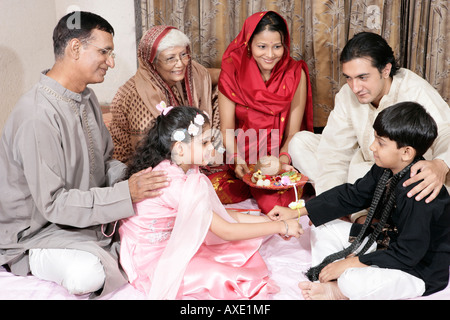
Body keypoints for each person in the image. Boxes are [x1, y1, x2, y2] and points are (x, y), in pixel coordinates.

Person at [0, 11, 170, 298]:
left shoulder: (86, 97)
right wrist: (126, 194)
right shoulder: (37, 115)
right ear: (75, 48)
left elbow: (103, 163)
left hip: (81, 216)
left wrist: (136, 177)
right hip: (38, 231)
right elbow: (53, 204)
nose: (111, 62)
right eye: (104, 52)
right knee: (88, 275)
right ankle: (28, 260)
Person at [119, 105, 303, 299]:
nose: (212, 148)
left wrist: (268, 221)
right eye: (205, 143)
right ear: (180, 149)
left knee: (234, 252)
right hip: (149, 257)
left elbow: (216, 214)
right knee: (225, 276)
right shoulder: (174, 183)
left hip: (170, 239)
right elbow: (226, 230)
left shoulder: (187, 169)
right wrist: (280, 227)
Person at [269, 102, 450, 300]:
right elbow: (353, 195)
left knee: (352, 281)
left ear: (406, 152)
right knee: (322, 227)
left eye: (380, 143)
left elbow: (408, 254)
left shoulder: (420, 190)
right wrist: (297, 211)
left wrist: (349, 263)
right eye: (374, 138)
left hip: (417, 270)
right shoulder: (385, 168)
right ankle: (329, 278)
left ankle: (338, 289)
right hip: (386, 241)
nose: (372, 147)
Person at [289, 32, 450, 223]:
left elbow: (446, 132)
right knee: (300, 143)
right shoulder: (347, 94)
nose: (355, 87)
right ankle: (356, 215)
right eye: (348, 78)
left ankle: (366, 215)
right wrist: (329, 205)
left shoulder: (414, 89)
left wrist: (440, 165)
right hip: (365, 165)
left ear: (385, 70)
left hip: (405, 173)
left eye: (363, 77)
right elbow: (333, 151)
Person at [217, 11, 314, 210]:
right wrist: (237, 160)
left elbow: (293, 133)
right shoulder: (232, 70)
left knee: (278, 204)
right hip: (242, 158)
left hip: (280, 160)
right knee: (206, 194)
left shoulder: (295, 73)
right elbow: (226, 128)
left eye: (277, 47)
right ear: (248, 45)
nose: (270, 55)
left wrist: (281, 164)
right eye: (262, 46)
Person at [109, 25, 219, 165]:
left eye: (183, 54)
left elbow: (212, 75)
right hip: (145, 165)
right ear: (153, 62)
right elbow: (149, 152)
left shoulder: (190, 71)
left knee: (225, 91)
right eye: (170, 58)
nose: (180, 64)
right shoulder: (138, 95)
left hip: (185, 152)